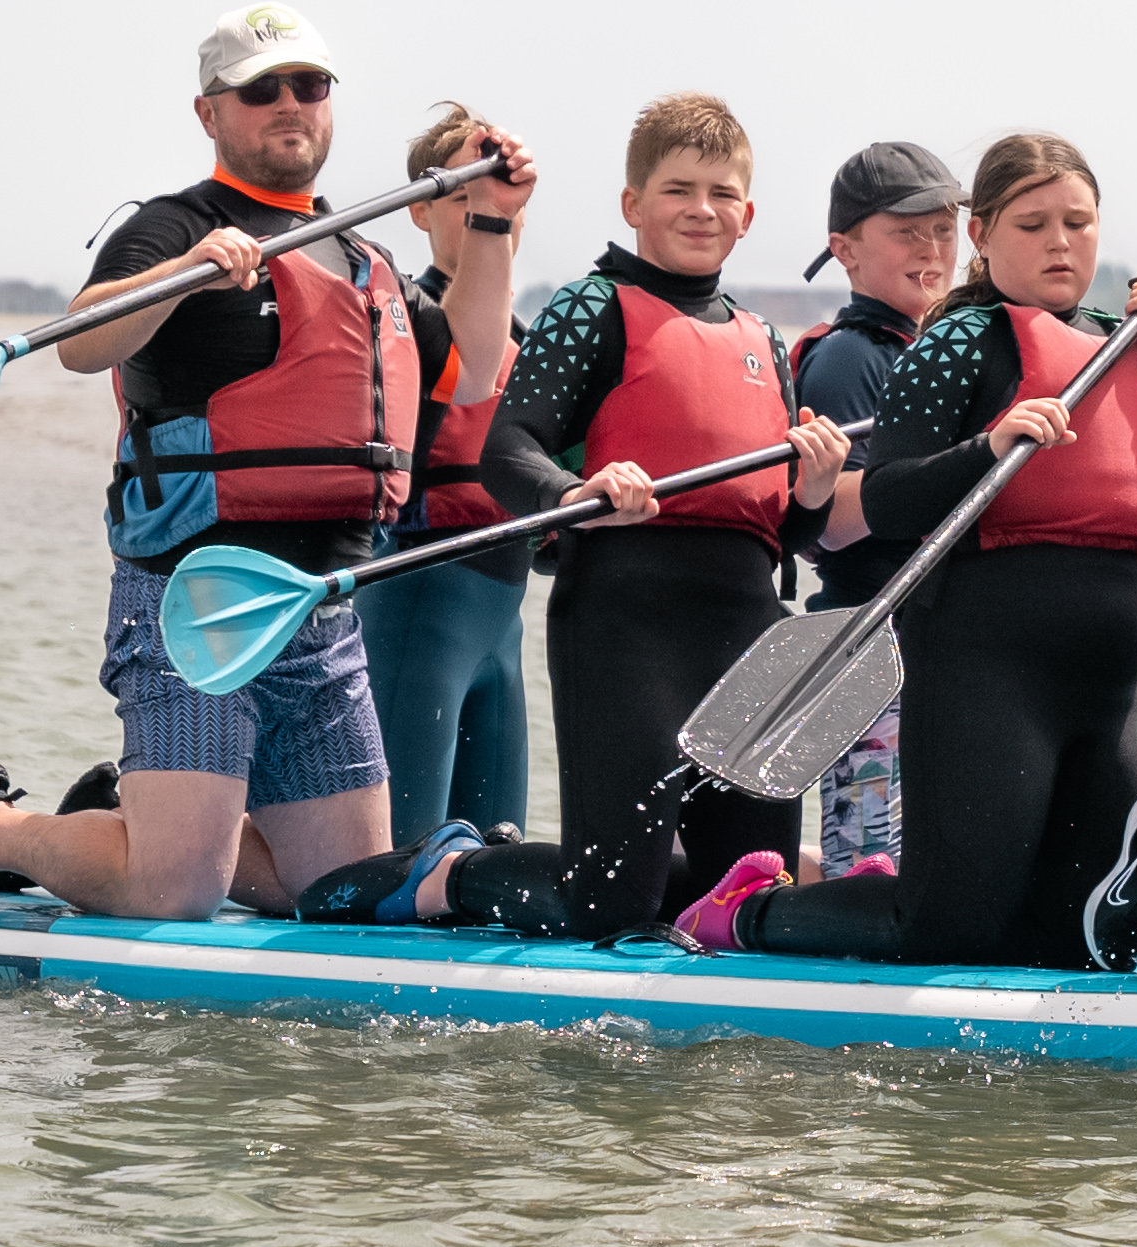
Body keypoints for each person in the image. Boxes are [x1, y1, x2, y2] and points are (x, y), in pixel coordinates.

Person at [0, 1, 518, 920]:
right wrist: (187, 268)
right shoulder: (172, 225)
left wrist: (491, 224)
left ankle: (142, 822)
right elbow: (82, 348)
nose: (290, 105)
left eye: (309, 86)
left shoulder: (368, 258)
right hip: (190, 601)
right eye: (260, 90)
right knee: (175, 897)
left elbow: (475, 369)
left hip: (321, 613)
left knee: (335, 896)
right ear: (210, 113)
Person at [730, 135, 1137, 970]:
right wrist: (988, 448)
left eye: (1078, 222)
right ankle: (749, 913)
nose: (1061, 241)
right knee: (943, 928)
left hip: (1113, 690)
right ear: (981, 234)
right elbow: (888, 500)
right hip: (986, 676)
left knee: (1083, 942)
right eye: (1033, 224)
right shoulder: (962, 341)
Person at [475, 94, 858, 929]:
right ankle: (454, 874)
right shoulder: (590, 308)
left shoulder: (761, 336)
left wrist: (818, 489)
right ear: (633, 204)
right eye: (679, 189)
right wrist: (572, 495)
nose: (701, 210)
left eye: (722, 194)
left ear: (747, 213)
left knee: (752, 896)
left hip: (751, 629)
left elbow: (782, 532)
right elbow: (507, 453)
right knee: (612, 898)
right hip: (623, 621)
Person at [351, 98, 540, 846]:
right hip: (413, 601)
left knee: (499, 848)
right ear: (422, 214)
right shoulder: (408, 322)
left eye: (492, 196)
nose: (480, 211)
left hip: (503, 617)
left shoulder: (532, 345)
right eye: (459, 197)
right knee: (404, 848)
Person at [785, 139, 968, 885]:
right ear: (846, 249)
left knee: (938, 856)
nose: (931, 249)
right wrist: (966, 467)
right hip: (867, 649)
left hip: (943, 646)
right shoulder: (852, 358)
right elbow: (831, 521)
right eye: (906, 231)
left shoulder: (949, 350)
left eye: (943, 231)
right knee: (872, 867)